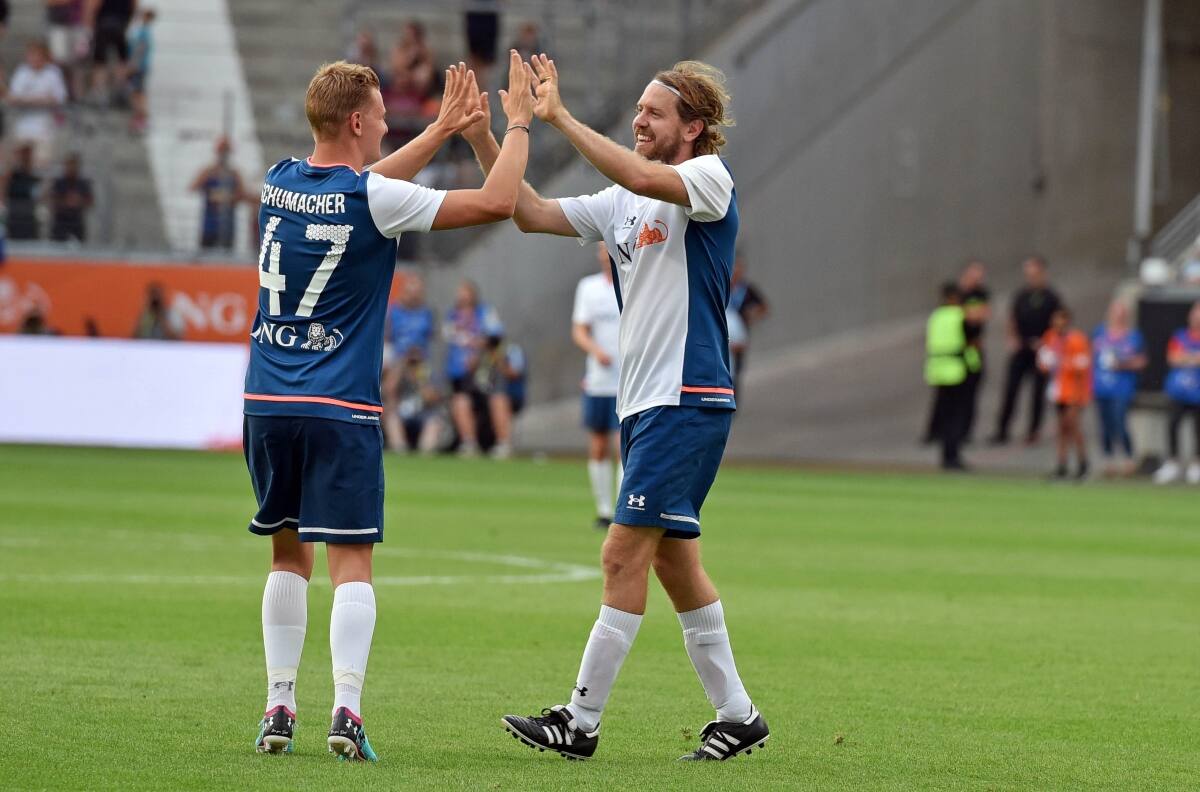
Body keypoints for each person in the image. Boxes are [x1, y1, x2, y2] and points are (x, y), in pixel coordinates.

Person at [463, 55, 768, 761]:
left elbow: (639, 175)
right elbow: (528, 211)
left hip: (684, 398)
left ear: (693, 128)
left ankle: (580, 719)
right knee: (673, 565)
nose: (638, 119)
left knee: (620, 553)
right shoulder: (622, 201)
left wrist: (561, 117)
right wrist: (492, 134)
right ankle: (738, 714)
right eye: (636, 108)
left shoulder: (706, 179)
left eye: (653, 112)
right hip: (646, 404)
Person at [243, 54, 532, 760]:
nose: (384, 125)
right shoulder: (378, 199)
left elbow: (365, 182)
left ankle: (279, 706)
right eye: (377, 115)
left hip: (267, 398)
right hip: (339, 404)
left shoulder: (277, 182)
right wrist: (515, 124)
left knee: (288, 557)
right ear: (355, 121)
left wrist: (435, 132)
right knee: (351, 563)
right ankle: (347, 709)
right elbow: (497, 201)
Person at [572, 242, 622, 528]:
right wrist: (595, 351)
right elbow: (579, 329)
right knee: (599, 443)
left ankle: (622, 510)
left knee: (623, 444)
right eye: (601, 250)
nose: (605, 255)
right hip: (599, 379)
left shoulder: (633, 281)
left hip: (627, 379)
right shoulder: (589, 288)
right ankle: (604, 509)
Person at [990, 256, 1061, 445]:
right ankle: (1002, 429)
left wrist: (1047, 343)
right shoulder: (1021, 295)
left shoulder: (1051, 297)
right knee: (1011, 389)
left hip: (1040, 349)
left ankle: (1033, 431)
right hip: (1022, 347)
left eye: (1034, 273)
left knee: (1037, 392)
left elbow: (1058, 323)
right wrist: (1012, 339)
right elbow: (1011, 318)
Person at [442, 278, 507, 457]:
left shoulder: (485, 312)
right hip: (460, 372)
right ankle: (469, 443)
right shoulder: (452, 316)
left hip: (485, 369)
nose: (462, 296)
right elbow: (451, 340)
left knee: (498, 397)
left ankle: (503, 444)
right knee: (460, 400)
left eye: (466, 291)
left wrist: (478, 354)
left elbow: (496, 336)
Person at [381, 273, 435, 451]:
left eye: (417, 291)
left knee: (432, 412)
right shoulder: (392, 312)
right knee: (390, 399)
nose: (413, 295)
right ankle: (399, 446)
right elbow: (386, 340)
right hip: (397, 362)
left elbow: (431, 340)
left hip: (421, 365)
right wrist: (401, 361)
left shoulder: (427, 313)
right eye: (410, 291)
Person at [925, 282, 976, 471]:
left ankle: (946, 454)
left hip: (937, 369)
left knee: (945, 415)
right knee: (956, 417)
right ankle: (952, 456)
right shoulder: (959, 316)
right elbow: (970, 342)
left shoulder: (936, 316)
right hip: (957, 369)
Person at [1091, 299, 1145, 477]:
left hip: (1122, 386)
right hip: (1101, 386)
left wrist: (1121, 364)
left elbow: (1141, 361)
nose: (1118, 316)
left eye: (1121, 313)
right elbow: (1090, 355)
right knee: (1104, 424)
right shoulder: (1099, 333)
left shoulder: (1133, 336)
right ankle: (1108, 459)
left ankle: (1128, 458)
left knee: (1119, 422)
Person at [1038, 306, 1091, 480]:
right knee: (1061, 427)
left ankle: (1083, 462)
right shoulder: (1050, 337)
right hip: (1058, 390)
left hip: (1074, 391)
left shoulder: (1077, 340)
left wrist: (1063, 362)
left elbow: (1082, 365)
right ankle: (1062, 463)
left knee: (1073, 425)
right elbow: (1044, 363)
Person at [1153, 301, 1200, 485]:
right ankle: (1172, 463)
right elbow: (1173, 358)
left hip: (1198, 392)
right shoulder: (1180, 336)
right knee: (1172, 425)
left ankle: (1196, 464)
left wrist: (1186, 357)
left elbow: (1183, 357)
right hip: (1178, 390)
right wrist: (1194, 357)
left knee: (1198, 429)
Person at [8, 40, 68, 167]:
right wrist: (39, 100)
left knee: (41, 165)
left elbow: (59, 98)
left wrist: (29, 100)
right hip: (23, 126)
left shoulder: (53, 73)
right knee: (16, 164)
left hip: (45, 127)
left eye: (36, 55)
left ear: (43, 56)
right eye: (31, 55)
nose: (33, 58)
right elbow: (13, 97)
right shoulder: (22, 72)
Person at [190, 137, 251, 250]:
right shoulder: (209, 172)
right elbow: (193, 187)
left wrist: (229, 197)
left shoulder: (234, 174)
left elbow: (243, 194)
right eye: (222, 152)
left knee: (226, 257)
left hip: (227, 224)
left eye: (226, 152)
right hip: (209, 223)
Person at [726, 254, 769, 392]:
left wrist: (751, 316)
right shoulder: (722, 288)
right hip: (723, 337)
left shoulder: (747, 290)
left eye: (738, 268)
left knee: (736, 371)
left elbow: (763, 307)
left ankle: (733, 400)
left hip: (739, 337)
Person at [88, 0, 136, 104]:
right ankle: (120, 89)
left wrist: (91, 25)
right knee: (121, 60)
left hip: (104, 24)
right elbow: (134, 6)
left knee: (100, 62)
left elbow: (94, 5)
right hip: (120, 25)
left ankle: (99, 92)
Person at [50, 152, 94, 242]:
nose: (71, 168)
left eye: (74, 164)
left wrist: (79, 201)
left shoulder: (83, 183)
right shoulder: (59, 182)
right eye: (69, 164)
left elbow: (90, 201)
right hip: (61, 222)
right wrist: (65, 201)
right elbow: (51, 199)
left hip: (76, 222)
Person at [126, 8, 155, 133]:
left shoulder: (143, 32)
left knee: (137, 91)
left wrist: (133, 66)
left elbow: (140, 50)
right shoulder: (145, 31)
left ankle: (140, 117)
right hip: (142, 66)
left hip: (139, 66)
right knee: (138, 90)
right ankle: (140, 116)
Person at [5, 144, 41, 240]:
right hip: (15, 215)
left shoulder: (35, 175)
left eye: (29, 155)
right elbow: (7, 189)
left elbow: (37, 195)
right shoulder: (14, 174)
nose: (27, 157)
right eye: (25, 154)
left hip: (29, 216)